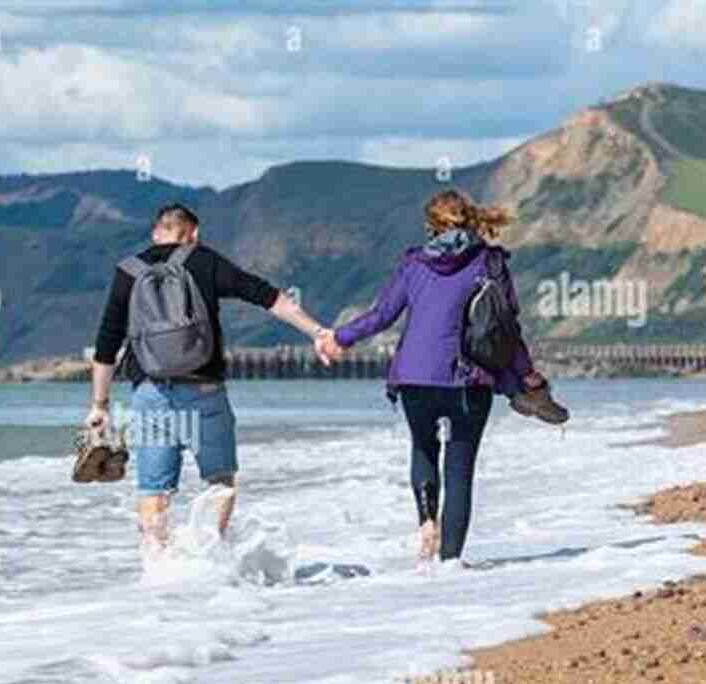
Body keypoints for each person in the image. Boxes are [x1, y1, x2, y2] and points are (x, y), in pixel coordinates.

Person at [319, 189, 567, 564]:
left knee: (422, 449)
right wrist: (526, 376)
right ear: (471, 219)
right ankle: (450, 564)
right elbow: (506, 328)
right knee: (460, 471)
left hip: (414, 378)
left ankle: (426, 522)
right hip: (470, 380)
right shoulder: (490, 262)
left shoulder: (413, 264)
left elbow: (382, 315)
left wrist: (339, 337)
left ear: (430, 226)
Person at [86, 203, 334, 553]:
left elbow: (107, 341)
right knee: (220, 481)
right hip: (205, 392)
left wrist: (100, 405)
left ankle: (157, 566)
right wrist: (317, 331)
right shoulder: (203, 260)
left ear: (157, 233)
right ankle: (211, 557)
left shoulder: (129, 271)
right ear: (194, 235)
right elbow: (267, 296)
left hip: (151, 394)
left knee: (153, 490)